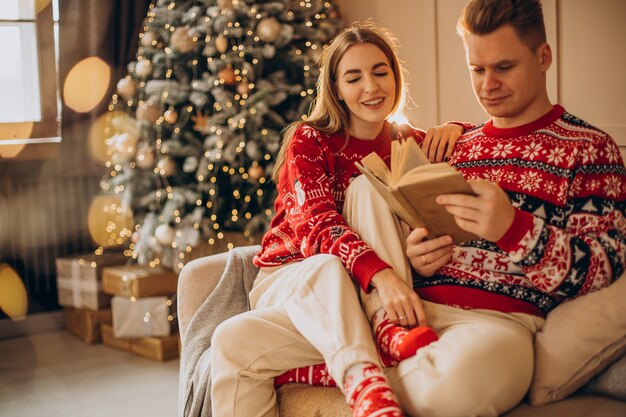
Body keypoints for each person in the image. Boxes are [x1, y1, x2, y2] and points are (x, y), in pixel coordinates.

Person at [337, 1, 626, 416]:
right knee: (366, 187)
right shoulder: (455, 144)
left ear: (542, 57)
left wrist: (515, 230)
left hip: (501, 325)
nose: (487, 84)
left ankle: (353, 372)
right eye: (477, 69)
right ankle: (374, 351)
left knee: (451, 391)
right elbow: (415, 230)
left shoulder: (589, 150)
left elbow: (603, 270)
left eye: (504, 67)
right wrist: (417, 259)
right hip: (413, 312)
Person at [209, 23, 464, 417]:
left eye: (381, 72)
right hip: (292, 282)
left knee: (229, 340)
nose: (371, 87)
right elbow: (315, 225)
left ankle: (346, 366)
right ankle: (372, 367)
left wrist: (457, 128)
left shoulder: (404, 142)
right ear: (336, 88)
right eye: (354, 77)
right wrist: (384, 276)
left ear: (395, 76)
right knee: (325, 264)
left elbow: (482, 139)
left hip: (355, 301)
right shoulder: (310, 139)